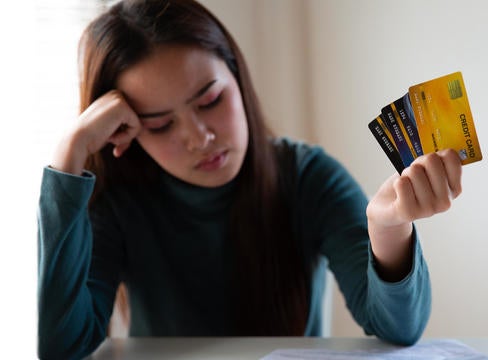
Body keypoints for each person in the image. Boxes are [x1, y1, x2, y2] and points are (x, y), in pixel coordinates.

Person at [37, 0, 463, 359]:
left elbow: (398, 331)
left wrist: (388, 228)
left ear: (239, 79)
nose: (199, 138)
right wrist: (70, 155)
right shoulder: (119, 202)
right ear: (126, 132)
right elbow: (63, 348)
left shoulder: (307, 176)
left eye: (210, 100)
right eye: (161, 125)